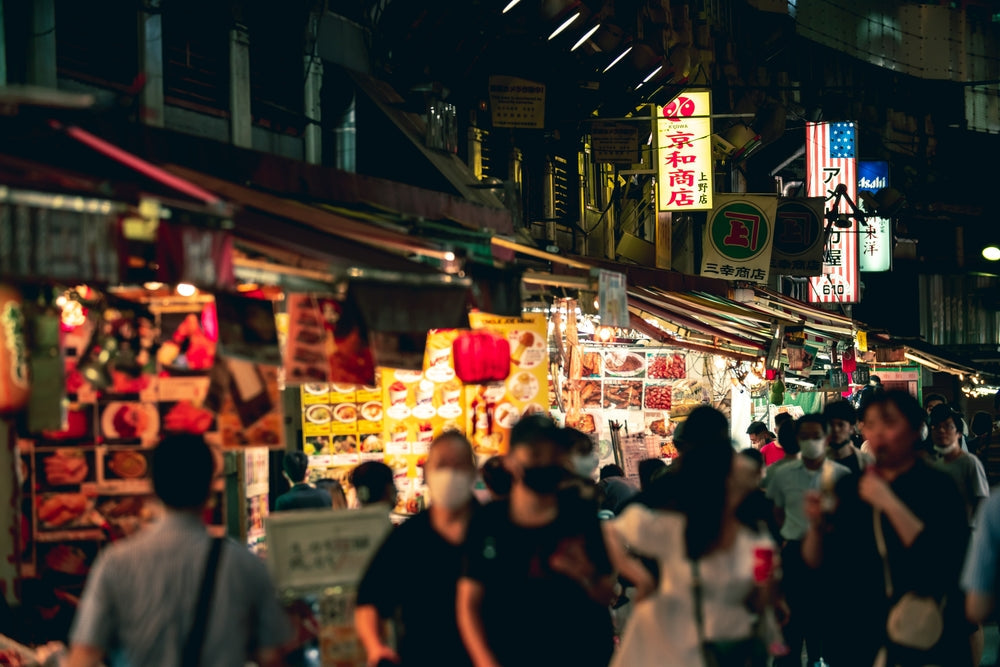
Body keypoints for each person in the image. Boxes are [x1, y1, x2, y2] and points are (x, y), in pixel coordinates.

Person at [66, 434, 290, 667]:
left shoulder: (115, 562)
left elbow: (84, 657)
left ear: (153, 487)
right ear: (210, 488)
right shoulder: (245, 565)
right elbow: (271, 657)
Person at [802, 391, 971, 666]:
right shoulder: (848, 486)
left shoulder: (938, 487)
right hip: (854, 631)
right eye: (870, 424)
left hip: (917, 631)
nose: (878, 433)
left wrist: (888, 502)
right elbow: (817, 561)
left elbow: (942, 560)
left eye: (889, 423)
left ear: (917, 429)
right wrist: (815, 525)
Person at [603, 406, 780, 667]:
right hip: (704, 640)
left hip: (697, 640)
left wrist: (642, 580)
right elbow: (765, 556)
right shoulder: (676, 518)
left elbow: (611, 531)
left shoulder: (673, 504)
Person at [457, 414, 616, 667]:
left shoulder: (579, 514)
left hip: (583, 654)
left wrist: (584, 574)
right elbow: (468, 603)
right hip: (512, 655)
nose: (544, 461)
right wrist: (484, 660)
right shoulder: (488, 522)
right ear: (510, 462)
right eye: (534, 453)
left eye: (551, 454)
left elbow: (606, 593)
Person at [356, 432, 478, 667]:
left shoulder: (493, 528)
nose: (450, 473)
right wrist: (375, 647)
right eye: (442, 465)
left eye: (459, 465)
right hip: (420, 656)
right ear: (427, 473)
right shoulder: (409, 537)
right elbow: (369, 599)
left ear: (473, 473)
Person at [766, 414, 850, 667]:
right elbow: (776, 513)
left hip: (830, 556)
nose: (811, 442)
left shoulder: (843, 475)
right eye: (805, 437)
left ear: (826, 439)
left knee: (826, 624)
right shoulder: (780, 474)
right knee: (791, 624)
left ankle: (819, 659)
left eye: (816, 436)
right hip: (792, 554)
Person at [929, 404, 989, 525]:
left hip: (967, 528)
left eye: (948, 427)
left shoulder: (970, 462)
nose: (941, 431)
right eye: (936, 427)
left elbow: (981, 498)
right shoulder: (936, 463)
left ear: (959, 433)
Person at [823, 399, 870, 475]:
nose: (835, 429)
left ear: (851, 428)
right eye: (831, 425)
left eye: (841, 425)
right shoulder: (817, 460)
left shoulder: (866, 461)